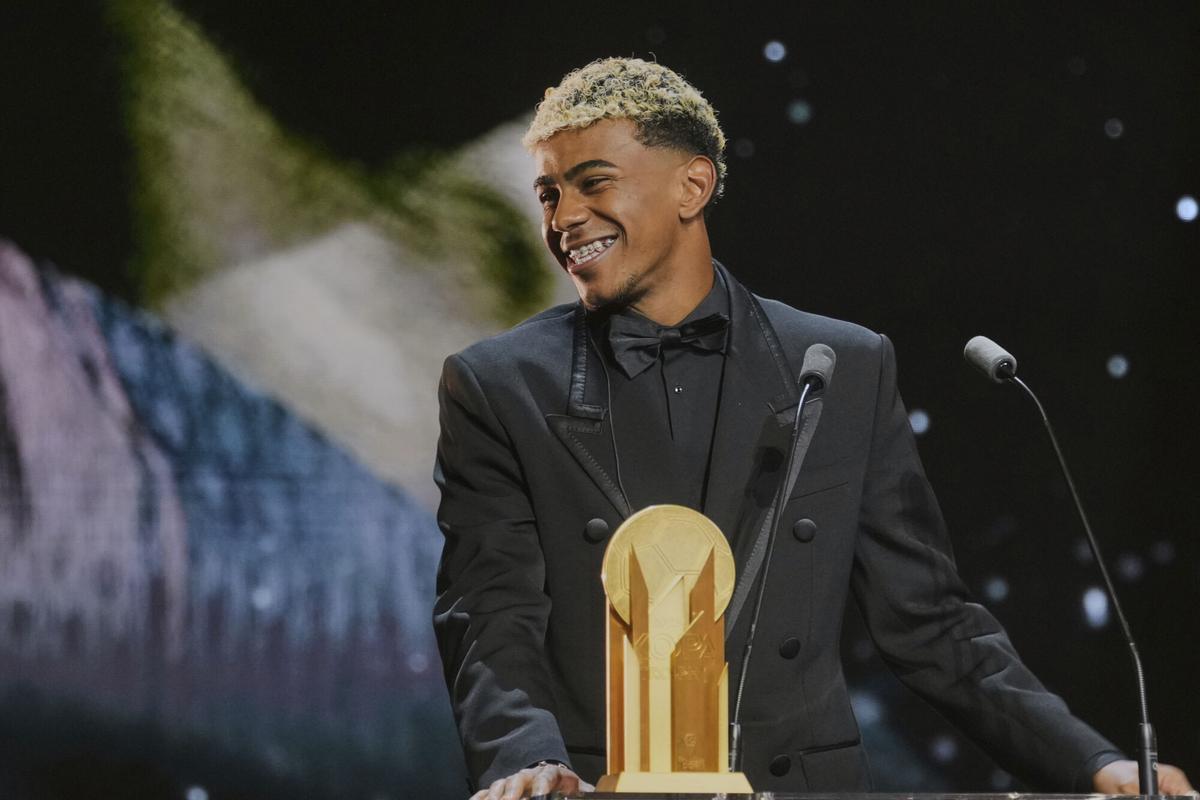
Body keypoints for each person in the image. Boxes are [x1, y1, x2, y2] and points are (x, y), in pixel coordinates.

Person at [432, 58, 1194, 800]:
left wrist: (1092, 764)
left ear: (693, 185)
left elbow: (928, 624)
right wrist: (527, 762)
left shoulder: (842, 367)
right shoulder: (498, 386)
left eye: (593, 183)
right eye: (548, 194)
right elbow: (491, 615)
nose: (563, 218)